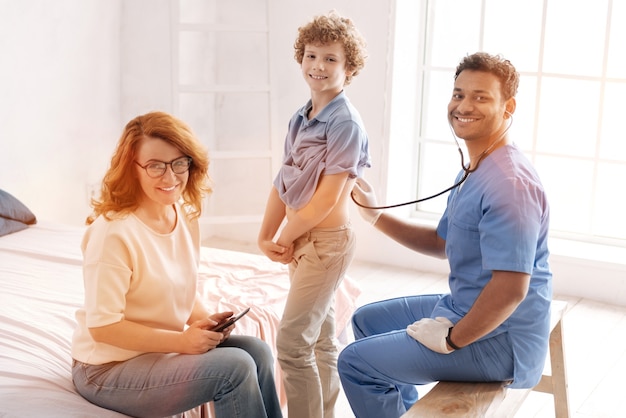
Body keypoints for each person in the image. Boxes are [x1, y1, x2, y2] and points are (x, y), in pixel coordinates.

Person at [338, 52, 552, 417]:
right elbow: (442, 242)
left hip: (502, 340)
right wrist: (375, 216)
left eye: (480, 97)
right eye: (458, 94)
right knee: (364, 321)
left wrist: (452, 340)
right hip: (466, 306)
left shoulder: (509, 185)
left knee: (355, 363)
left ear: (508, 106)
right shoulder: (477, 167)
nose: (464, 105)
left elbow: (510, 290)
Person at [71, 111, 282, 418]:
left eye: (179, 163)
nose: (170, 178)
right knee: (234, 368)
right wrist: (182, 342)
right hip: (106, 369)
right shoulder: (113, 233)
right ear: (133, 168)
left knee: (257, 352)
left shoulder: (181, 214)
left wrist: (206, 321)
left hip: (154, 353)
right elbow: (103, 326)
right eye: (155, 166)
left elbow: (182, 287)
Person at [257, 10, 370, 418]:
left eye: (330, 59)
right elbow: (282, 180)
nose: (317, 66)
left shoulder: (345, 125)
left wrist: (285, 235)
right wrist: (264, 234)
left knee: (291, 342)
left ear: (349, 67)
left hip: (326, 243)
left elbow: (325, 202)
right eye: (310, 55)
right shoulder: (300, 117)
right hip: (303, 239)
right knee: (320, 339)